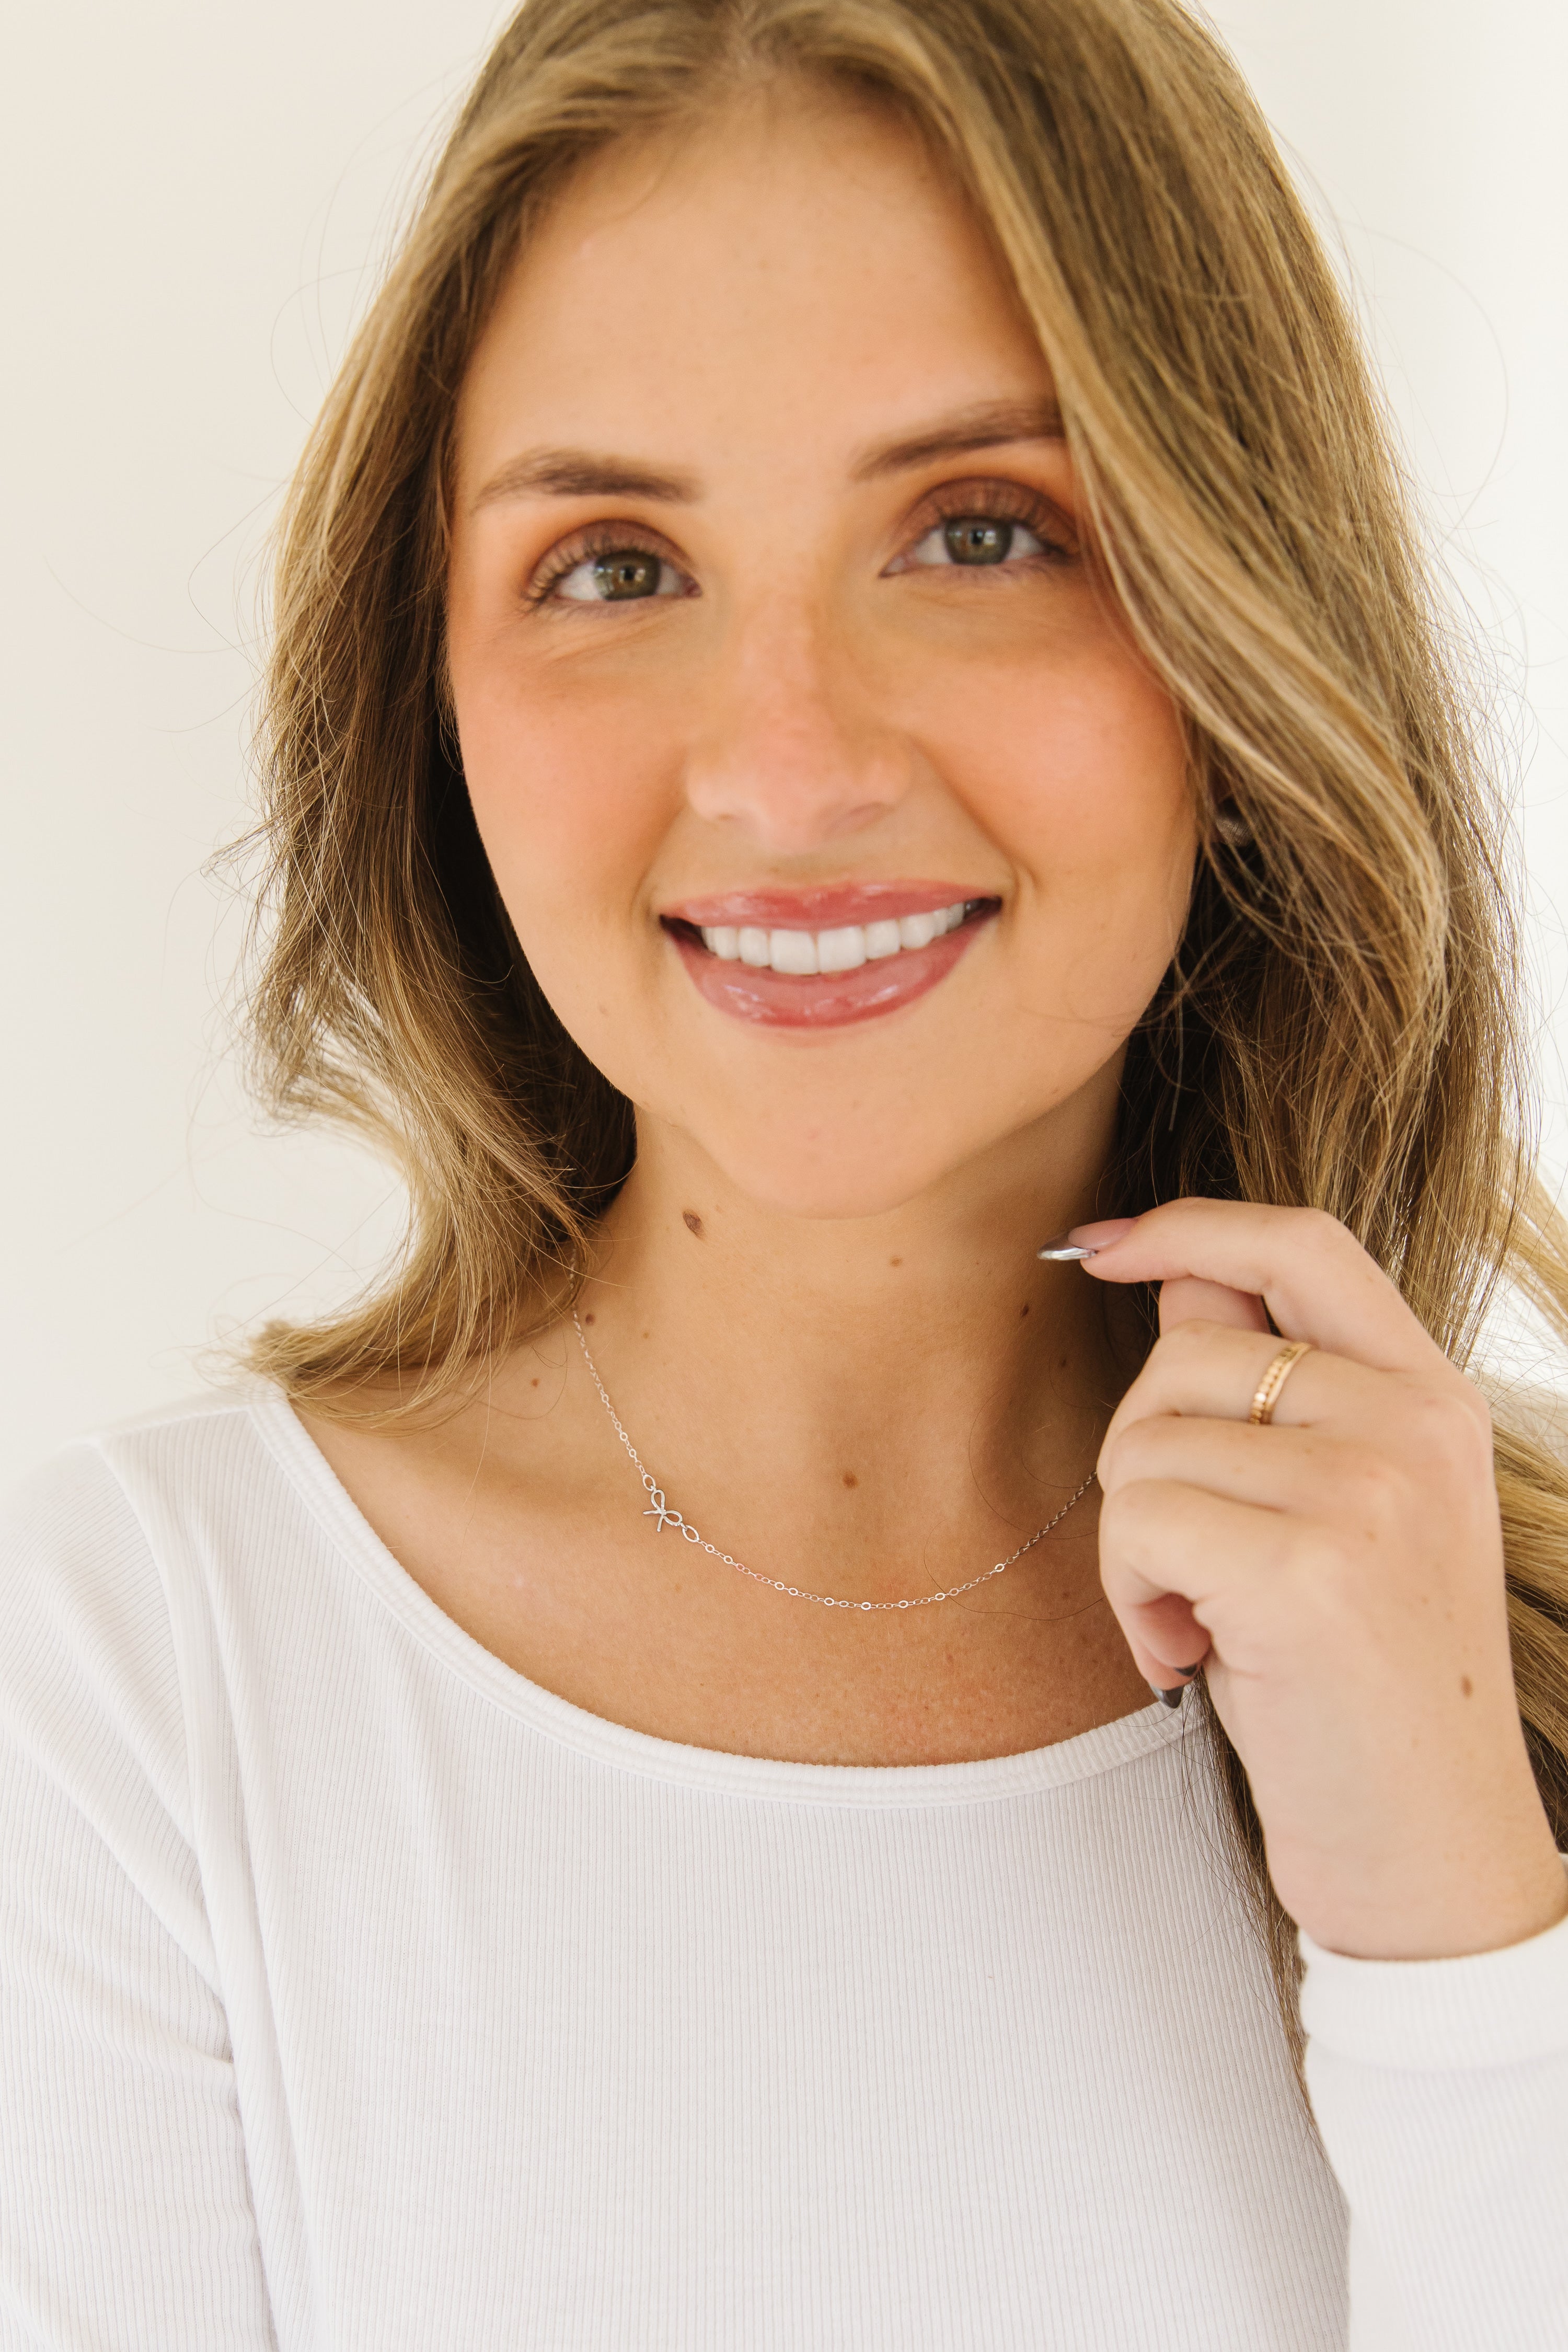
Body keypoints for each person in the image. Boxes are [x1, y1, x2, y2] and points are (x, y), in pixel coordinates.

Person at [4, 0, 1568, 2343]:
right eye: (617, 565)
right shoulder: (141, 1680)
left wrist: (1462, 1950)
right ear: (429, 689)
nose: (787, 767)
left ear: (1242, 615)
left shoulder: (1498, 1669)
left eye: (979, 531)